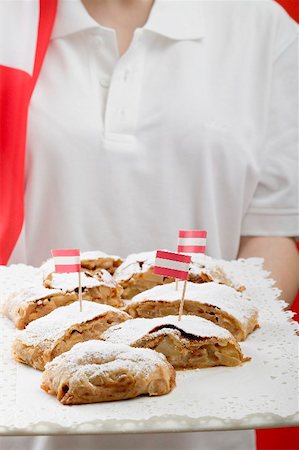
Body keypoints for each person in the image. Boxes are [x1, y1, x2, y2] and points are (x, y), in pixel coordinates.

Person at [0, 1, 298, 449]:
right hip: (25, 418)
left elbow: (273, 228)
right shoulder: (12, 21)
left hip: (208, 424)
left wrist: (215, 332)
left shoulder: (259, 26)